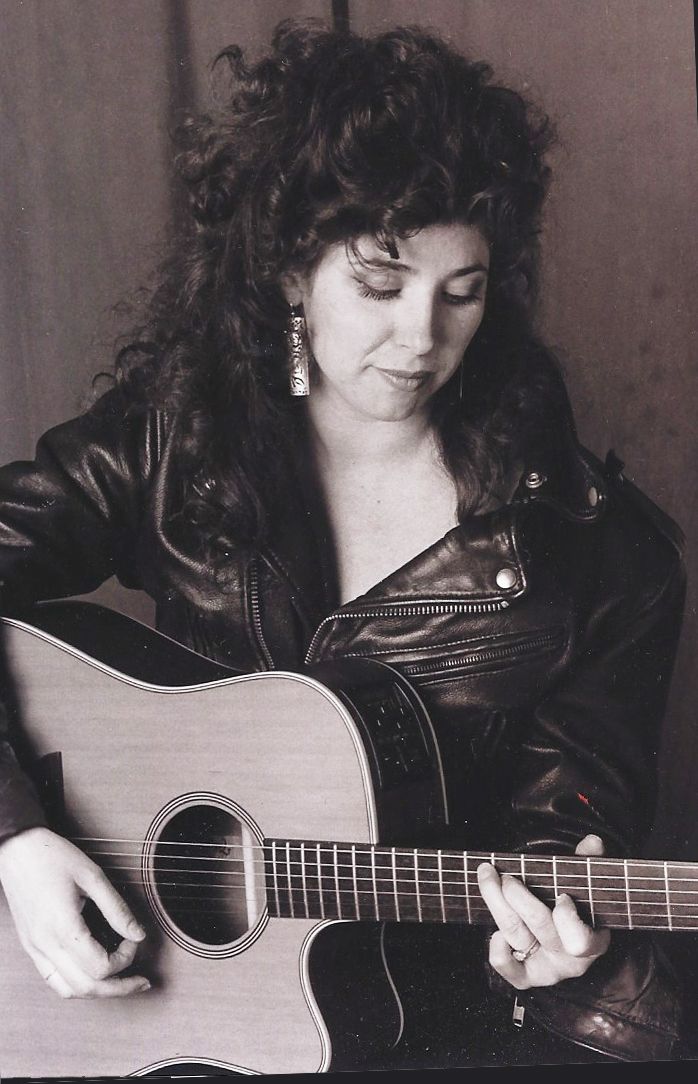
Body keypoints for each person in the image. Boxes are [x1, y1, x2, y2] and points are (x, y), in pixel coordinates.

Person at [0, 18, 687, 1072]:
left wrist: (551, 957)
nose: (421, 336)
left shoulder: (601, 555)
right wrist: (17, 836)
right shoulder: (178, 442)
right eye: (380, 284)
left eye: (461, 292)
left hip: (414, 1031)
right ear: (291, 271)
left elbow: (561, 838)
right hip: (159, 1015)